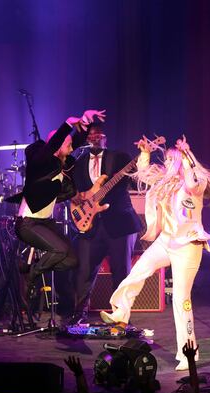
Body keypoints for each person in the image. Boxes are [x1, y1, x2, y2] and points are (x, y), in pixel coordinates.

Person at [100, 135, 210, 371]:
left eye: (171, 160)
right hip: (166, 241)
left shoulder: (194, 185)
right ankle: (121, 311)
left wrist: (188, 156)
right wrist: (145, 153)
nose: (166, 163)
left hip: (188, 245)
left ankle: (188, 353)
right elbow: (142, 172)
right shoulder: (164, 183)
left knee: (181, 299)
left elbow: (192, 181)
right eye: (167, 159)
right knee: (137, 271)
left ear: (180, 163)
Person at [12, 109, 106, 307]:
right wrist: (68, 124)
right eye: (68, 145)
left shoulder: (64, 164)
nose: (72, 148)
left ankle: (31, 268)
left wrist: (86, 121)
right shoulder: (40, 164)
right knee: (60, 250)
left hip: (45, 222)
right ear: (56, 147)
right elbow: (53, 146)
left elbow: (74, 142)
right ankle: (32, 275)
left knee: (71, 260)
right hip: (28, 223)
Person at [70, 122, 142, 324]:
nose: (95, 138)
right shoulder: (79, 162)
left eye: (99, 135)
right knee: (84, 271)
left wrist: (143, 158)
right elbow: (73, 192)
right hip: (90, 225)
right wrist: (79, 202)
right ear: (87, 138)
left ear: (105, 137)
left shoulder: (119, 158)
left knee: (121, 271)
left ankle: (121, 316)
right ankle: (79, 315)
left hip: (119, 223)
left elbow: (137, 179)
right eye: (91, 135)